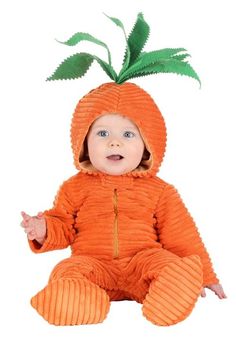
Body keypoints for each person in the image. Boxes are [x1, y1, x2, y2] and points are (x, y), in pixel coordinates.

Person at [21, 82, 226, 327]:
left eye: (128, 134)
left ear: (148, 144)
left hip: (143, 266)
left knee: (169, 264)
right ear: (83, 141)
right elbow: (63, 226)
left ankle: (173, 292)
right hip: (94, 267)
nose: (114, 143)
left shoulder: (160, 190)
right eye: (102, 133)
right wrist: (43, 230)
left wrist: (204, 275)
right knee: (66, 269)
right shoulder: (73, 187)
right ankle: (78, 300)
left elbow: (181, 235)